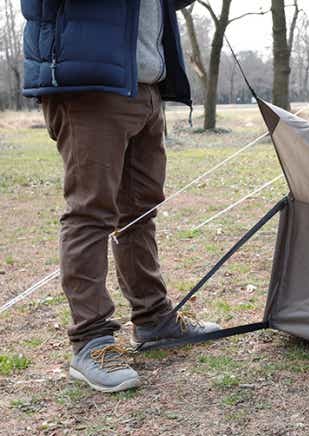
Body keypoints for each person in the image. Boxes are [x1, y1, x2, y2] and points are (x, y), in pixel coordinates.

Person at [20, 0, 220, 392]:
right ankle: (91, 340)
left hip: (145, 85)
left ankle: (153, 320)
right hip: (89, 84)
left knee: (140, 213)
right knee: (91, 212)